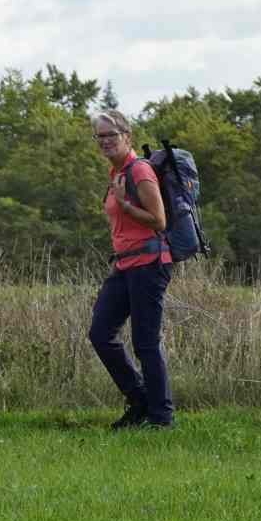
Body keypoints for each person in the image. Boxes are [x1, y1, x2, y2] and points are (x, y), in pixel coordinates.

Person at [89, 108, 173, 428]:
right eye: (100, 136)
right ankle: (140, 401)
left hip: (150, 264)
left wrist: (125, 205)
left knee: (146, 342)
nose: (105, 141)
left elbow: (159, 221)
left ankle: (161, 418)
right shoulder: (116, 173)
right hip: (126, 265)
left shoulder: (139, 172)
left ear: (128, 136)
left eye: (111, 135)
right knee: (100, 333)